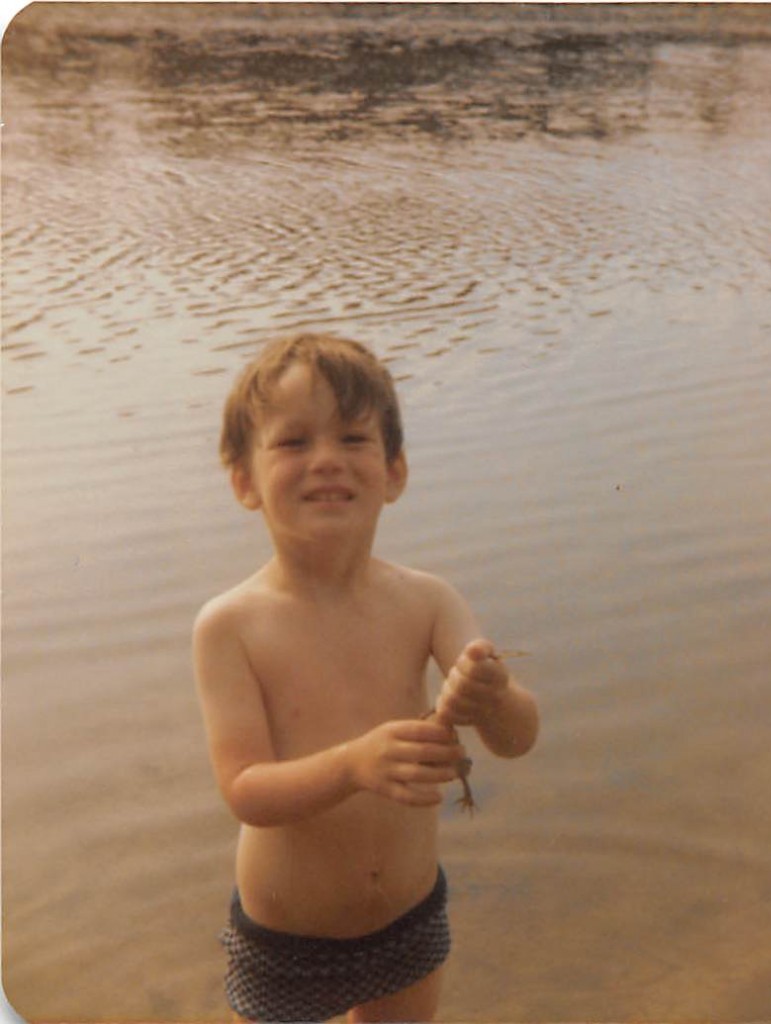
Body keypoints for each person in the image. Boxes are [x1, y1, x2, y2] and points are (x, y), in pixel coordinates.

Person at [193, 332, 540, 1023]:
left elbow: (517, 739)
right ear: (243, 481)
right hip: (287, 932)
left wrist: (492, 697)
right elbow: (245, 791)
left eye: (353, 439)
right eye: (293, 443)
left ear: (395, 470)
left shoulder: (427, 601)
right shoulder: (230, 626)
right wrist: (352, 764)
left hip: (409, 914)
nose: (326, 460)